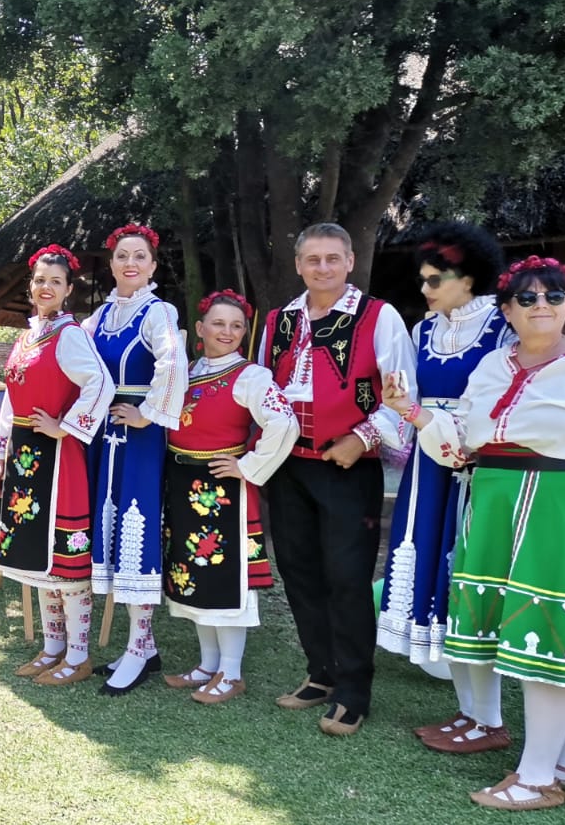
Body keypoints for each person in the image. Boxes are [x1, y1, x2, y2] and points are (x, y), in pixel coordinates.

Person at [388, 256, 565, 809]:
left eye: (555, 296)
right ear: (506, 310)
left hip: (563, 511)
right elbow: (459, 447)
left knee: (552, 637)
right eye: (529, 298)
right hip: (491, 504)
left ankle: (537, 778)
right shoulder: (490, 367)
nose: (543, 305)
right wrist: (411, 414)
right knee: (543, 636)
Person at [257, 222, 416, 736]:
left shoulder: (379, 317)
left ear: (349, 262)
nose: (322, 267)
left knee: (347, 578)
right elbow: (262, 389)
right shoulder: (279, 320)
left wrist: (362, 439)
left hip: (347, 464)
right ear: (299, 264)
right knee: (299, 571)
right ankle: (320, 674)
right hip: (288, 465)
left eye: (332, 258)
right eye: (312, 259)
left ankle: (353, 690)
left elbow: (403, 396)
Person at [374, 225, 514, 753]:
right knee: (436, 578)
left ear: (471, 277)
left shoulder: (504, 329)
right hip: (429, 470)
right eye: (423, 278)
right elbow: (404, 399)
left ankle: (490, 719)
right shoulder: (425, 331)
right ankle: (468, 713)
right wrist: (389, 413)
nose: (426, 287)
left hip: (476, 471)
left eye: (437, 278)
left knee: (466, 578)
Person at [162, 290, 298, 703]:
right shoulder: (185, 370)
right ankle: (207, 665)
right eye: (219, 324)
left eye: (236, 325)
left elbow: (285, 423)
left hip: (223, 492)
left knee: (225, 579)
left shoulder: (251, 377)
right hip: (183, 485)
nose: (228, 332)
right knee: (194, 577)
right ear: (200, 329)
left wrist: (248, 466)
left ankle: (231, 672)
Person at [0, 245, 114, 686]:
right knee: (39, 561)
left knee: (66, 563)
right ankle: (52, 648)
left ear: (68, 290)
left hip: (59, 458)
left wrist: (67, 426)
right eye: (41, 280)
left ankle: (78, 656)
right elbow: (10, 403)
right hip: (25, 457)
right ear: (31, 286)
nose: (46, 287)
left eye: (55, 282)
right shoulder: (25, 337)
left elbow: (100, 382)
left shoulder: (70, 334)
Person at [82, 224, 189, 695]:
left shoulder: (157, 311)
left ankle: (141, 644)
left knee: (135, 528)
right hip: (100, 434)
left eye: (139, 256)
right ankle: (138, 646)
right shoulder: (98, 317)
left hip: (138, 436)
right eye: (122, 255)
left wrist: (148, 415)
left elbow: (172, 364)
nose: (130, 263)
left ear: (152, 265)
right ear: (111, 264)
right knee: (105, 529)